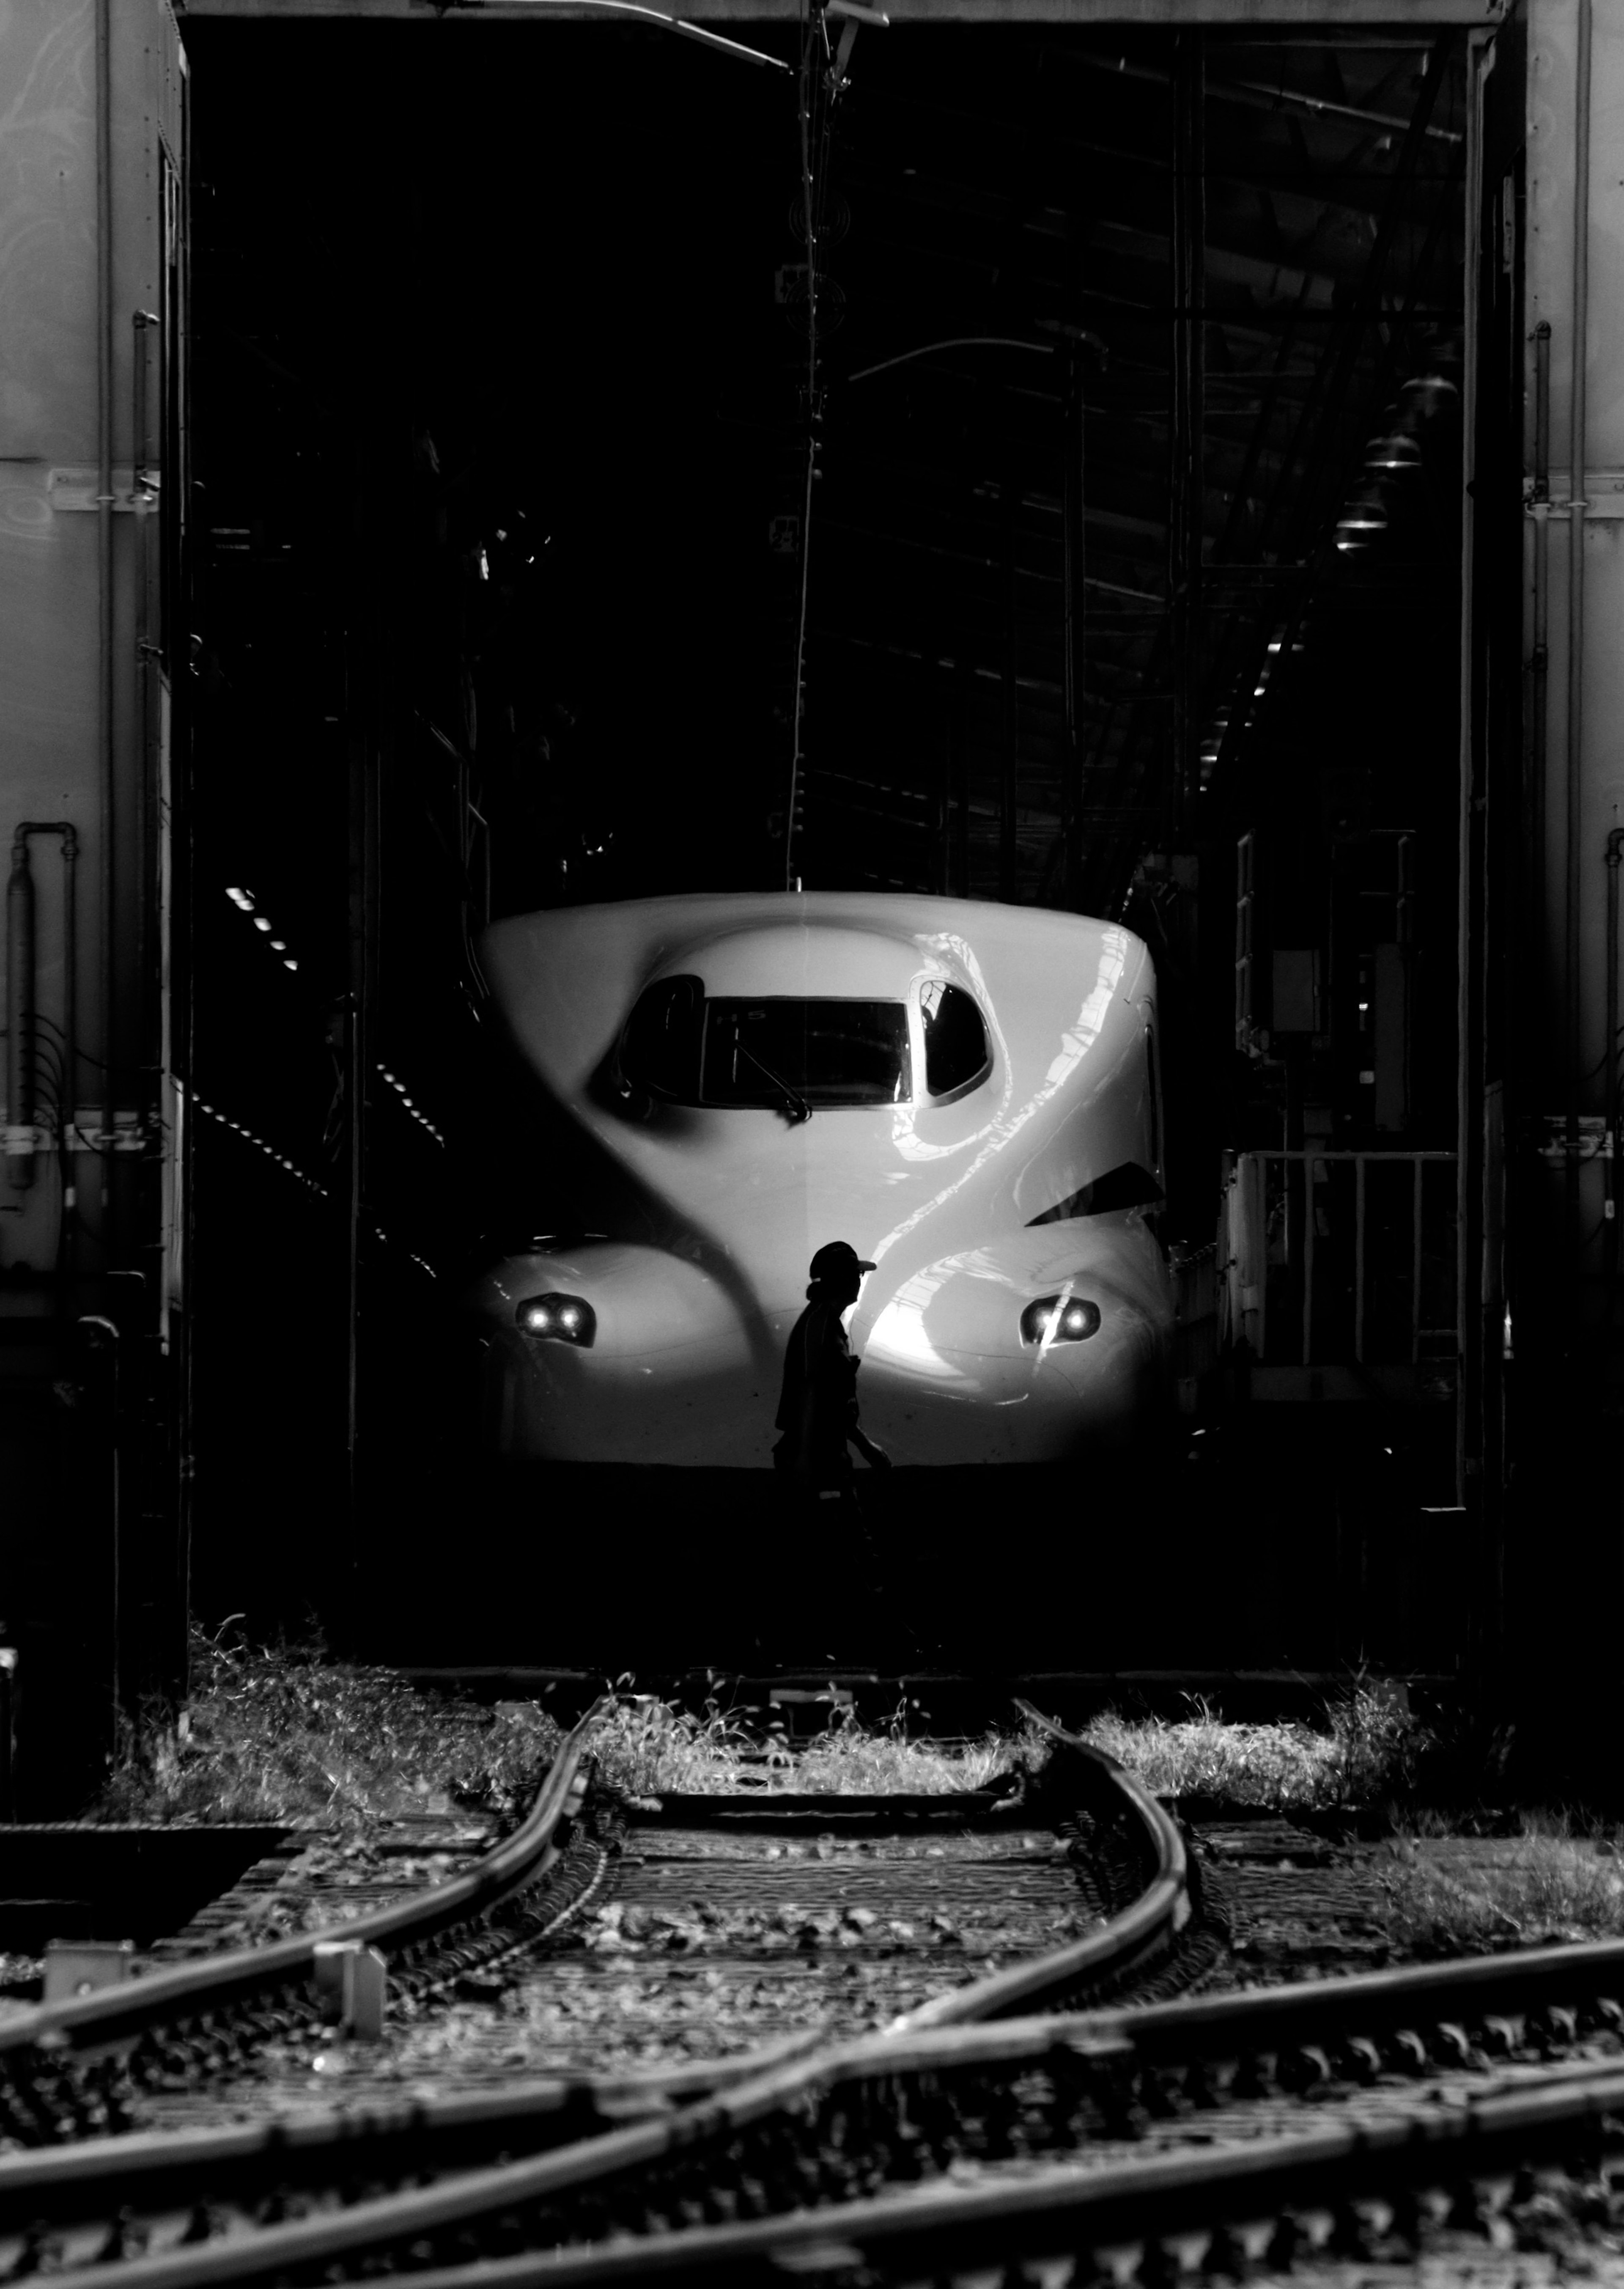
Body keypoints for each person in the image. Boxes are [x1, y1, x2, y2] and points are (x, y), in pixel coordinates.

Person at [773, 1240, 892, 1492]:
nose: (861, 1280)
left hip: (826, 1454)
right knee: (840, 1529)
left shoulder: (827, 1323)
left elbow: (832, 1402)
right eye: (858, 1274)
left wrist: (864, 1445)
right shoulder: (818, 1326)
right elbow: (809, 1391)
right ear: (843, 1279)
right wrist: (805, 1460)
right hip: (818, 1459)